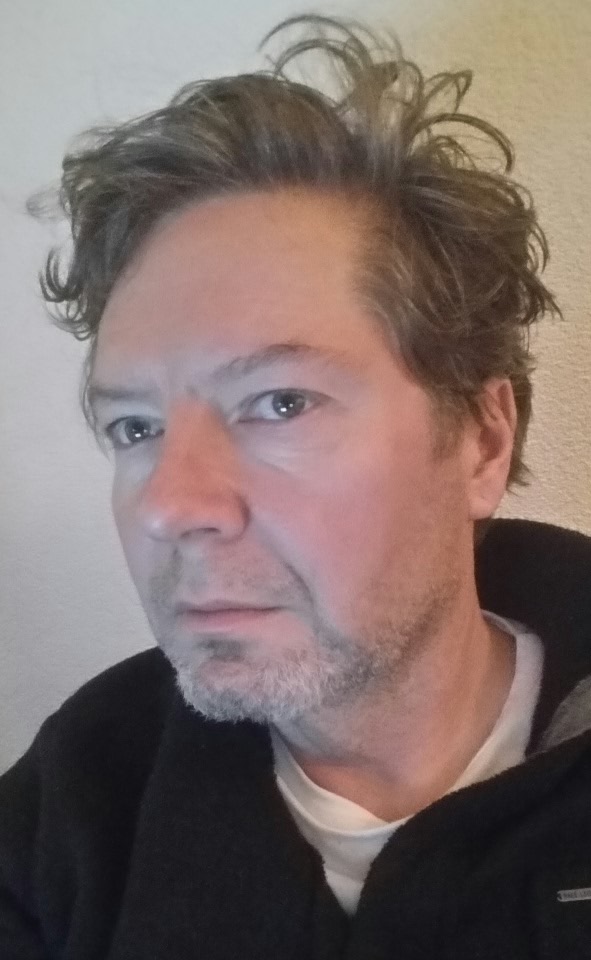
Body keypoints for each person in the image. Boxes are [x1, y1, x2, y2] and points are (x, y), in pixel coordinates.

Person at [1, 13, 590, 959]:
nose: (172, 506)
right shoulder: (70, 813)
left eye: (278, 403)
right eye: (135, 427)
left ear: (481, 442)